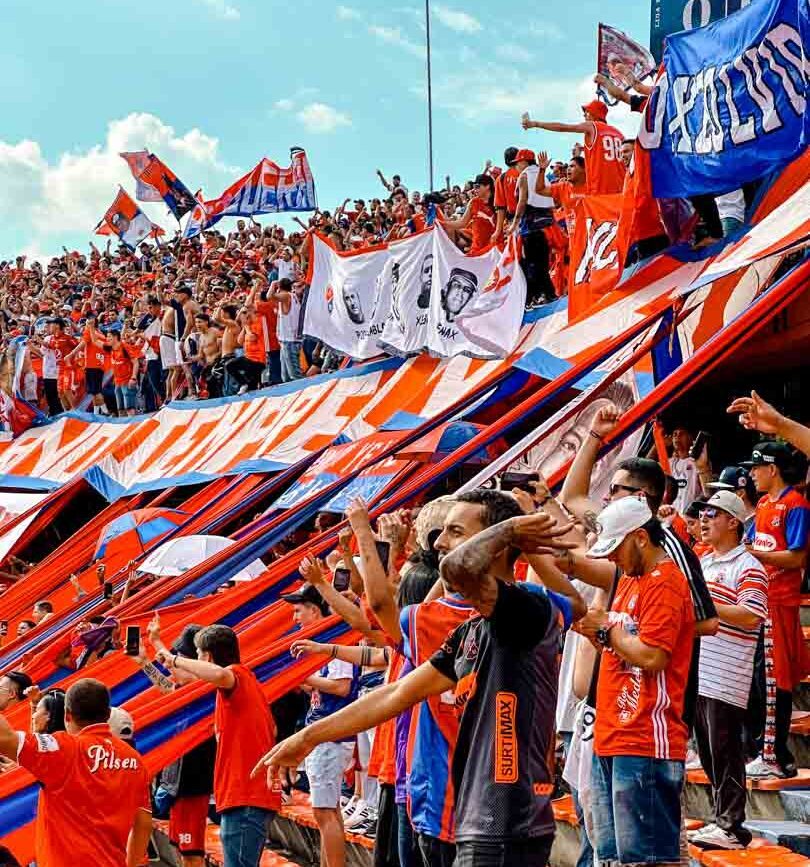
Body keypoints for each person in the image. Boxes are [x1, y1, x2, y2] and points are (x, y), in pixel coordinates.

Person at [254, 493, 579, 867]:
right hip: (477, 819)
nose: (440, 543)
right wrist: (306, 737)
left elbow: (453, 571)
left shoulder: (525, 609)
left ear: (494, 546)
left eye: (455, 532)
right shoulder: (472, 629)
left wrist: (509, 530)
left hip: (503, 822)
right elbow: (396, 693)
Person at [577, 497, 695, 867]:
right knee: (614, 858)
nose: (613, 558)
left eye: (616, 548)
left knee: (644, 858)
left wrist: (604, 631)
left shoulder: (666, 583)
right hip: (612, 735)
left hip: (646, 739)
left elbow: (652, 656)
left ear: (641, 538)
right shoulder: (630, 580)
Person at [152, 623, 280, 867]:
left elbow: (221, 675)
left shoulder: (236, 676)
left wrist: (173, 659)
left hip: (244, 796)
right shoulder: (240, 687)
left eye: (198, 655)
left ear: (208, 657)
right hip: (241, 796)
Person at [0, 678, 152, 867]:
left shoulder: (63, 749)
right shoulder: (135, 760)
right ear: (107, 714)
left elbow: (4, 739)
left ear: (67, 715)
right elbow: (144, 823)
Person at [688, 491, 767, 850]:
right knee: (708, 752)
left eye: (713, 515)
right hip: (702, 671)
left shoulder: (748, 566)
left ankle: (732, 827)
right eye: (702, 514)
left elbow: (752, 615)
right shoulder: (705, 563)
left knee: (724, 750)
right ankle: (722, 821)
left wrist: (708, 606)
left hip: (726, 675)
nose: (703, 520)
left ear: (733, 522)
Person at [742, 441, 810, 778]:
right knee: (762, 680)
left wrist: (760, 557)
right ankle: (768, 751)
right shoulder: (764, 504)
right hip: (761, 602)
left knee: (775, 680)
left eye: (756, 468)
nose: (752, 475)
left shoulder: (795, 505)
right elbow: (750, 544)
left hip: (781, 603)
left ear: (772, 469)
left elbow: (797, 557)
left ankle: (774, 754)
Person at [281, 573, 359, 867]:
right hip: (324, 733)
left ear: (315, 610)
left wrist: (304, 677)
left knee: (325, 812)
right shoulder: (321, 643)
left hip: (331, 736)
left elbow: (342, 686)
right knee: (326, 811)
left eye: (298, 610)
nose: (295, 617)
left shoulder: (333, 641)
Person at [143, 621, 216, 867]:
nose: (175, 664)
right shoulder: (187, 691)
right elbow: (166, 687)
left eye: (183, 658)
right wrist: (143, 661)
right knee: (182, 847)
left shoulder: (205, 689)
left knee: (191, 851)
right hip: (178, 782)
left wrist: (157, 645)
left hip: (193, 782)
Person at [523, 100, 625, 195]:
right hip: (621, 191)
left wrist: (535, 124)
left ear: (595, 113)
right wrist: (584, 149)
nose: (584, 114)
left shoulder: (592, 126)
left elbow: (563, 127)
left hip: (599, 192)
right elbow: (608, 155)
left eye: (587, 112)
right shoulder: (619, 134)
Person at [705, 466, 758, 534]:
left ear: (740, 493)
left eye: (723, 490)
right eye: (717, 490)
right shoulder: (727, 521)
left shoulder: (759, 522)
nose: (718, 494)